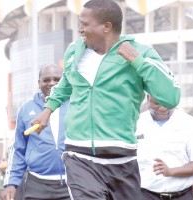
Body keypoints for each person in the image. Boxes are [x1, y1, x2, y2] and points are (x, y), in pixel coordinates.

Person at [31, 0, 181, 199]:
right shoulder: (75, 51)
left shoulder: (141, 53)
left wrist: (138, 61)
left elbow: (171, 97)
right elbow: (67, 81)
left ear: (106, 27)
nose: (80, 29)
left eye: (85, 24)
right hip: (79, 155)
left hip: (122, 159)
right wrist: (48, 109)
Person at [4, 64, 70, 200]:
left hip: (71, 182)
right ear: (39, 83)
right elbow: (18, 149)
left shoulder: (75, 105)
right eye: (46, 80)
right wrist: (12, 182)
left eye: (57, 79)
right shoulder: (26, 109)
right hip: (36, 184)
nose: (51, 83)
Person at [136, 95, 193, 200]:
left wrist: (170, 171)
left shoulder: (191, 124)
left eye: (167, 103)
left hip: (182, 196)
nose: (162, 108)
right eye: (157, 103)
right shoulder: (136, 123)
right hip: (144, 195)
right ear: (148, 98)